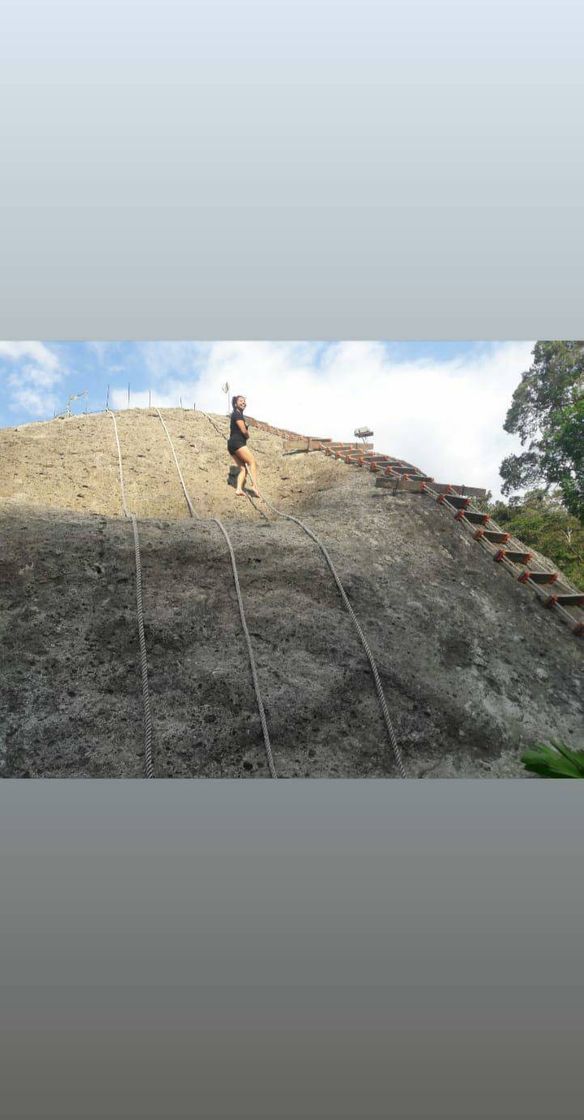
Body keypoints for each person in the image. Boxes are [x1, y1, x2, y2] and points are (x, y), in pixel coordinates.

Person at [227, 394, 259, 497]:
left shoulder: (237, 414)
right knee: (252, 462)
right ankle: (254, 486)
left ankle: (239, 489)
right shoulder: (237, 414)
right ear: (236, 404)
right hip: (237, 443)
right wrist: (247, 435)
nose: (243, 402)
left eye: (244, 401)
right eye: (241, 401)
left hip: (231, 445)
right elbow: (243, 430)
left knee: (243, 469)